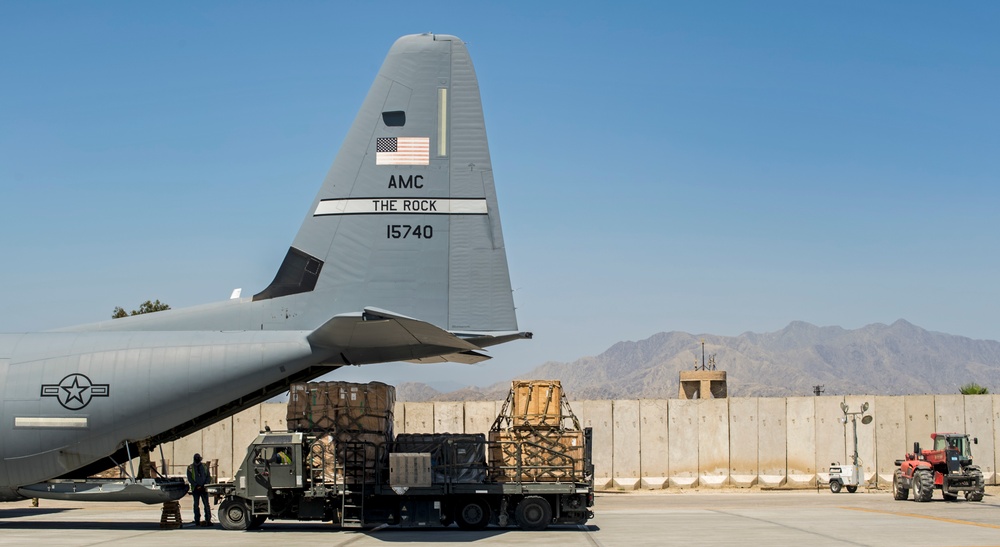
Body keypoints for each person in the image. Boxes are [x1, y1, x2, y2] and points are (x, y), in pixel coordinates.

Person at [187, 453, 212, 526]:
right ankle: (197, 520)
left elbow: (208, 476)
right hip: (196, 489)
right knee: (196, 505)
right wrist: (196, 485)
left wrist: (204, 485)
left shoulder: (204, 466)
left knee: (206, 504)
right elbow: (190, 478)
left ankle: (208, 519)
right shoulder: (190, 468)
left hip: (203, 488)